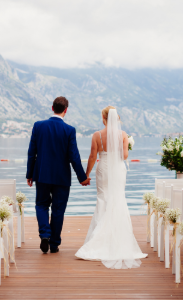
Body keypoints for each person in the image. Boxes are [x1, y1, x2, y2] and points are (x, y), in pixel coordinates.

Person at [75, 106, 147, 269]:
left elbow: (93, 156)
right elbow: (125, 156)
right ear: (117, 118)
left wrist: (86, 175)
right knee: (118, 199)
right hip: (117, 169)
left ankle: (98, 240)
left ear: (104, 118)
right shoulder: (123, 135)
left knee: (103, 199)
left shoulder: (97, 135)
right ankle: (118, 240)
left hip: (103, 168)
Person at [26, 96, 91, 254]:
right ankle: (54, 244)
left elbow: (31, 153)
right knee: (58, 209)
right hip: (62, 177)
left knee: (41, 205)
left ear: (52, 108)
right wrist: (82, 177)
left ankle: (45, 235)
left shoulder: (38, 126)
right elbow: (74, 157)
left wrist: (30, 173)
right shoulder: (69, 130)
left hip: (41, 174)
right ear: (66, 110)